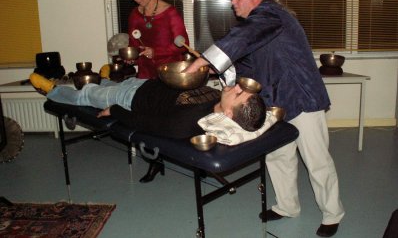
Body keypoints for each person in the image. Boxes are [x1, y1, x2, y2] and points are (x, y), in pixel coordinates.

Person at [185, 0, 345, 237]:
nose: (233, 3)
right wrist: (216, 69)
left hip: (302, 96)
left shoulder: (271, 15)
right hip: (275, 99)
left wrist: (201, 62)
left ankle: (333, 213)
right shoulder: (260, 25)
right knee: (278, 155)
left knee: (317, 160)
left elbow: (242, 36)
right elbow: (248, 64)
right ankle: (287, 206)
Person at [29, 72, 266, 181]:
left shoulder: (186, 124)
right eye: (241, 89)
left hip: (129, 99)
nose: (237, 87)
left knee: (86, 96)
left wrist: (115, 111)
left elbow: (146, 124)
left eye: (238, 94)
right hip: (144, 85)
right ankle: (104, 78)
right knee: (105, 85)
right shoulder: (217, 98)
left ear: (228, 113)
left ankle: (52, 90)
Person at [124, 0, 190, 79]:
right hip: (145, 74)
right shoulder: (135, 14)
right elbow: (133, 44)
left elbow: (183, 45)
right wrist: (131, 56)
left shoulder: (170, 13)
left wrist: (156, 52)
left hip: (169, 73)